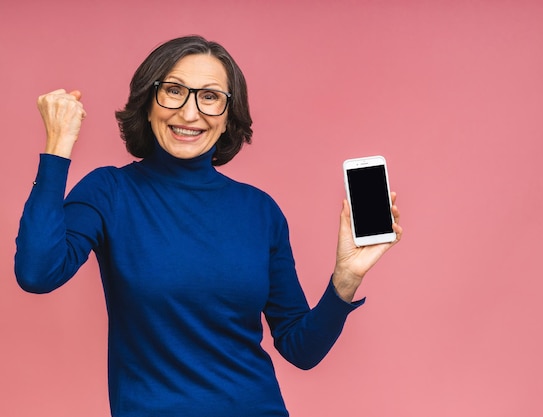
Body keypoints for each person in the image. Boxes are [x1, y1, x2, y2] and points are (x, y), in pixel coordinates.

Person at [14, 35, 402, 416]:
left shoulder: (259, 210)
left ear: (229, 116)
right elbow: (37, 272)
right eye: (173, 91)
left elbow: (301, 350)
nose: (189, 113)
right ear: (148, 103)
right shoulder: (110, 191)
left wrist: (346, 278)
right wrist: (58, 148)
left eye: (210, 97)